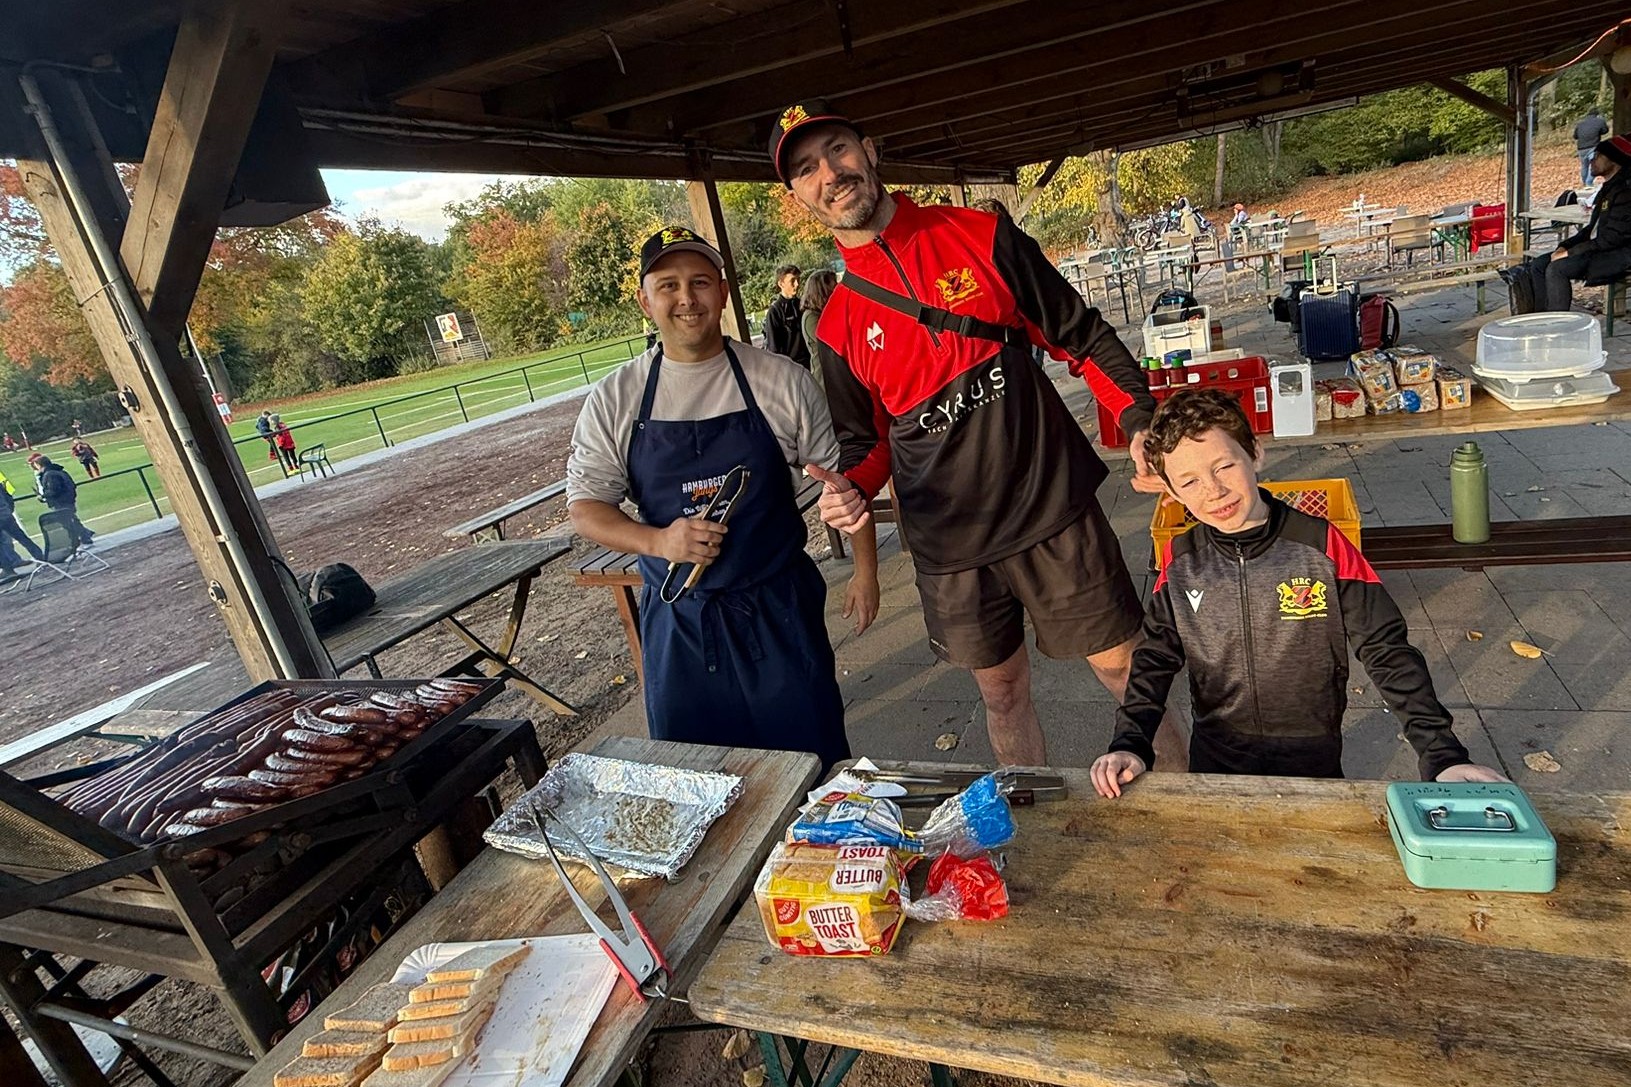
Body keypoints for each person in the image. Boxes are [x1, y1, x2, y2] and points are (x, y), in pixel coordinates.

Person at [771, 99, 1185, 768]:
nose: (831, 173)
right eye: (807, 168)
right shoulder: (836, 323)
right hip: (950, 545)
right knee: (1001, 694)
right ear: (796, 194)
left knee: (1125, 674)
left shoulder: (978, 234)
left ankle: (1191, 813)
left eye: (839, 151)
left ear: (869, 150)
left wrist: (1139, 419)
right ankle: (1034, 833)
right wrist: (848, 490)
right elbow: (865, 445)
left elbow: (1080, 336)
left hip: (1051, 507)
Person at [566, 226, 880, 769]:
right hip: (680, 621)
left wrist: (867, 571)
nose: (686, 298)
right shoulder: (616, 398)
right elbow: (585, 507)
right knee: (698, 776)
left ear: (723, 291)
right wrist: (659, 540)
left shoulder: (781, 381)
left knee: (812, 766)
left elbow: (840, 486)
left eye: (700, 282)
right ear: (645, 299)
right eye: (668, 285)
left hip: (778, 609)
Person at [1090, 390, 1506, 796]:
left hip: (1312, 756)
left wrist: (1443, 755)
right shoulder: (1180, 559)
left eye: (1223, 467)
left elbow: (1386, 649)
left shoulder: (1322, 545)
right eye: (1190, 481)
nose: (1212, 491)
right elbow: (1156, 658)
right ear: (1172, 491)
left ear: (1254, 453)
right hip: (1217, 755)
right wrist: (1130, 742)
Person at [1545, 134, 1631, 313]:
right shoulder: (1606, 190)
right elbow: (1590, 230)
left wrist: (1571, 253)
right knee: (1539, 263)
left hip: (1619, 255)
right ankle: (1538, 319)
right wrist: (1564, 246)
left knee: (1557, 269)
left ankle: (1557, 326)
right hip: (1599, 249)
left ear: (1614, 160)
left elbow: (1612, 239)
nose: (1592, 160)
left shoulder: (1625, 192)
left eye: (1598, 155)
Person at [31, 454, 93, 546]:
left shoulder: (50, 475)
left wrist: (43, 496)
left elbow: (54, 490)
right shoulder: (59, 471)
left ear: (40, 465)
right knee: (72, 519)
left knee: (67, 522)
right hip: (68, 499)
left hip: (61, 502)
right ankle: (85, 535)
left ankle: (81, 539)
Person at [760, 264, 811, 370]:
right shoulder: (775, 311)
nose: (797, 284)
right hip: (790, 367)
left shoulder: (802, 305)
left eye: (798, 280)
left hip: (809, 363)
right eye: (792, 281)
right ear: (781, 284)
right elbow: (774, 348)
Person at [0, 470, 46, 577]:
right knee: (22, 538)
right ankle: (40, 556)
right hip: (6, 515)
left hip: (4, 515)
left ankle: (8, 569)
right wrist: (8, 510)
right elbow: (8, 497)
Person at [799, 269, 838, 393]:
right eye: (834, 286)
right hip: (825, 379)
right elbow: (832, 341)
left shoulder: (826, 312)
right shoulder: (811, 317)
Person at [1574, 108, 1609, 188]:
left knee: (1584, 166)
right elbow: (1605, 130)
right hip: (1593, 146)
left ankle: (1584, 182)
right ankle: (1589, 182)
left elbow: (1575, 136)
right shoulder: (1600, 121)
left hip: (1581, 148)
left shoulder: (1580, 124)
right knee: (1594, 165)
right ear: (1597, 115)